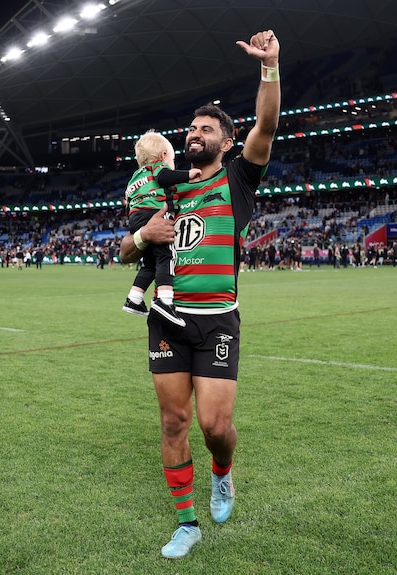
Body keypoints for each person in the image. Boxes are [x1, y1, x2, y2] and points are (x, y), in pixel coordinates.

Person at [119, 29, 281, 560]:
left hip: (217, 321)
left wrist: (269, 67)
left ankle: (223, 472)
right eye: (191, 127)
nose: (194, 133)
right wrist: (146, 236)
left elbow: (268, 124)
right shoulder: (168, 185)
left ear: (225, 142)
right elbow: (125, 252)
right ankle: (186, 523)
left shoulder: (238, 180)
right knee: (173, 421)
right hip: (168, 318)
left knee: (215, 427)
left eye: (206, 128)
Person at [122, 130, 201, 327]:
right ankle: (165, 301)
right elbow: (165, 176)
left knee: (150, 263)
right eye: (173, 159)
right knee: (167, 256)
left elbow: (129, 204)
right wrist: (188, 175)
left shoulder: (134, 178)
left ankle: (134, 298)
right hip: (153, 214)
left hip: (136, 219)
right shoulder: (157, 166)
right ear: (164, 156)